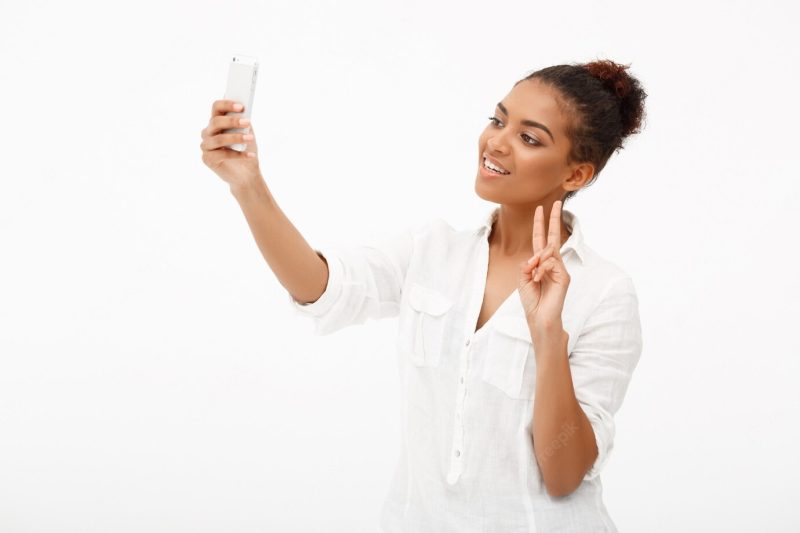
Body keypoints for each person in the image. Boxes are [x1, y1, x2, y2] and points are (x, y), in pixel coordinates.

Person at [200, 58, 647, 533]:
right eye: (498, 119)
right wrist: (247, 185)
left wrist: (547, 335)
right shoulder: (433, 251)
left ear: (576, 175)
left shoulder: (604, 292)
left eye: (528, 137)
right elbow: (321, 287)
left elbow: (563, 476)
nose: (496, 141)